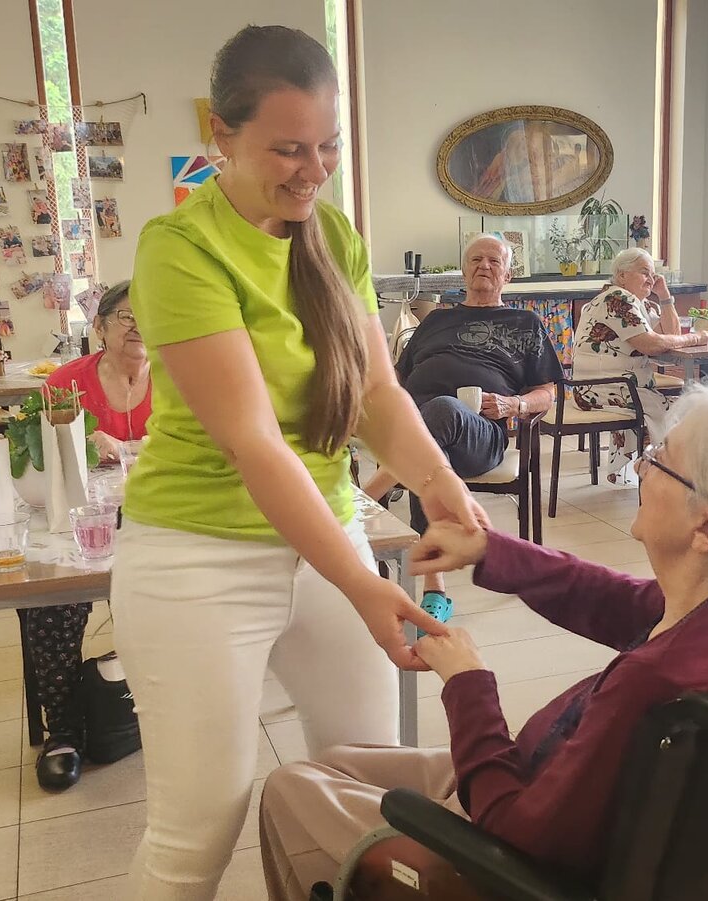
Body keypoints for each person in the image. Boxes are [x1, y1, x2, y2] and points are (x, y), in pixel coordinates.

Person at [109, 26, 485, 898]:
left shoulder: (334, 237)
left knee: (373, 792)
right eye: (288, 149)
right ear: (222, 135)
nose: (313, 170)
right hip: (196, 557)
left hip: (325, 533)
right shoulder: (180, 248)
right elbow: (255, 443)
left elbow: (377, 394)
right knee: (197, 831)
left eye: (328, 146)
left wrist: (441, 486)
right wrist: (361, 583)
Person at [256, 380, 708, 900]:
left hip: (515, 851)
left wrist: (468, 685)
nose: (640, 466)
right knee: (336, 763)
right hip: (567, 787)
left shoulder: (658, 682)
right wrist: (490, 551)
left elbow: (518, 830)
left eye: (658, 460)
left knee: (290, 788)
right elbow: (612, 598)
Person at [359, 234, 562, 599]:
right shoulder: (436, 319)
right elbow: (397, 378)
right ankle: (433, 587)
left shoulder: (524, 322)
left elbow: (549, 391)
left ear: (507, 276)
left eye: (494, 261)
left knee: (442, 411)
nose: (484, 266)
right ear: (464, 272)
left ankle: (365, 498)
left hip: (479, 435)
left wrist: (514, 405)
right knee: (429, 440)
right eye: (476, 260)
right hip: (418, 427)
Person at [18, 281, 151, 792]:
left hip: (156, 516)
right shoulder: (67, 383)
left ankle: (157, 705)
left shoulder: (181, 375)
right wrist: (81, 439)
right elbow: (38, 456)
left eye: (150, 314)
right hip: (82, 521)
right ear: (99, 327)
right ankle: (64, 730)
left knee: (173, 591)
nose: (139, 326)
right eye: (126, 317)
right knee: (53, 601)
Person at [570, 246, 708, 478]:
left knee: (685, 406)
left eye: (653, 274)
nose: (651, 279)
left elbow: (670, 334)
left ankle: (667, 471)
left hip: (607, 385)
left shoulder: (636, 303)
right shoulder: (617, 299)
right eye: (645, 272)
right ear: (622, 275)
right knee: (689, 409)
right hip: (603, 387)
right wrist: (694, 338)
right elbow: (651, 344)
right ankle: (674, 475)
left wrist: (665, 296)